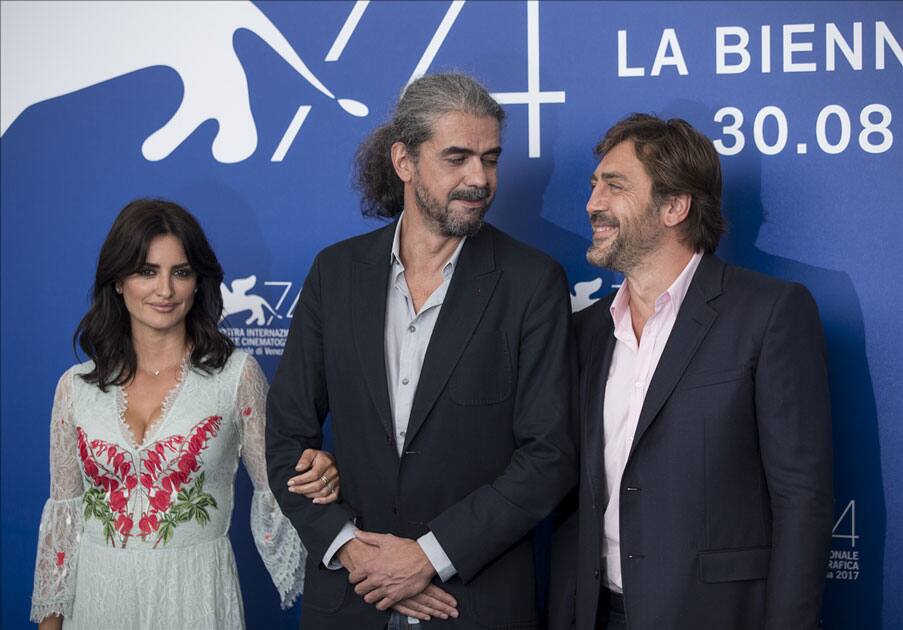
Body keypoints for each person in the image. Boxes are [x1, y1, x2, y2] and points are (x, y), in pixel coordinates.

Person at [266, 72, 578, 629]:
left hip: (471, 602)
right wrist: (356, 554)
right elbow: (287, 436)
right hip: (348, 599)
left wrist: (427, 557)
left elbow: (548, 457)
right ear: (404, 161)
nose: (479, 178)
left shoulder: (532, 283)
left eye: (490, 158)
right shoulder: (334, 274)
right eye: (456, 158)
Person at [548, 114, 833, 630]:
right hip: (592, 614)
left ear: (675, 207)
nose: (592, 205)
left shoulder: (768, 313)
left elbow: (802, 501)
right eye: (594, 187)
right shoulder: (586, 330)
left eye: (614, 186)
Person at [30, 199, 338, 630]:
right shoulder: (76, 387)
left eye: (181, 272)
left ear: (198, 282)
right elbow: (63, 520)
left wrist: (317, 471)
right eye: (146, 271)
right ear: (118, 281)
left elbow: (282, 485)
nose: (165, 290)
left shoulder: (235, 377)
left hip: (194, 596)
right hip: (98, 599)